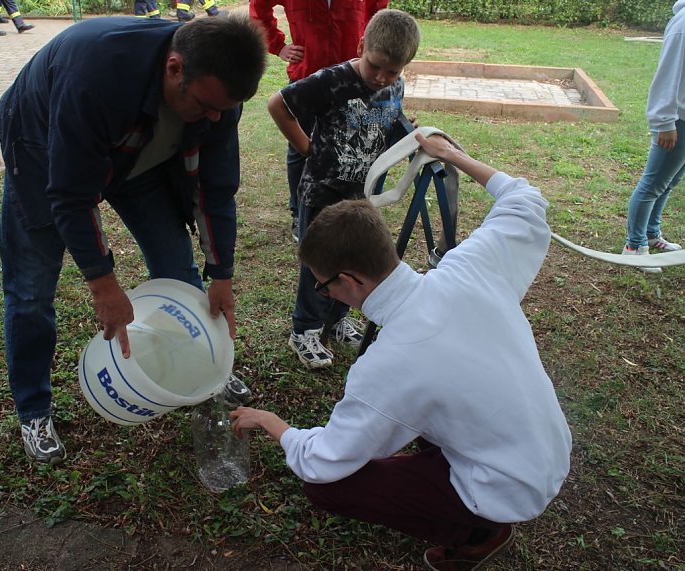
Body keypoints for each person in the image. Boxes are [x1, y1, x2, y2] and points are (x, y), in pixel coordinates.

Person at [231, 132, 573, 571]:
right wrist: (453, 155)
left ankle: (477, 534)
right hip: (548, 449)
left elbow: (322, 462)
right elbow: (525, 200)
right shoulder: (467, 267)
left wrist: (273, 423)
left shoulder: (390, 363)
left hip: (505, 489)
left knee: (326, 488)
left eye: (323, 285)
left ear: (349, 280)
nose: (324, 292)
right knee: (424, 402)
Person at [0, 15, 267, 464]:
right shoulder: (95, 77)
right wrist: (103, 285)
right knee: (31, 288)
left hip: (139, 155)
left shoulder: (218, 95)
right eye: (206, 106)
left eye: (223, 110)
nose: (215, 119)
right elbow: (70, 195)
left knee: (177, 269)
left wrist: (222, 275)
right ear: (174, 68)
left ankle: (198, 369)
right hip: (43, 146)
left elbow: (216, 187)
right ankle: (33, 410)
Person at [268, 9, 419, 368]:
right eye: (375, 66)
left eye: (392, 71)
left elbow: (386, 121)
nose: (381, 78)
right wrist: (307, 148)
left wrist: (409, 134)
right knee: (320, 264)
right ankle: (305, 329)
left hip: (362, 194)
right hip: (323, 192)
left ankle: (336, 320)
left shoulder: (394, 85)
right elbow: (278, 105)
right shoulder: (332, 80)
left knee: (353, 260)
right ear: (361, 46)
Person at [250, 0, 387, 242]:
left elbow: (380, 13)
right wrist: (278, 46)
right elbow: (258, 8)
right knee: (299, 149)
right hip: (307, 78)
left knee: (352, 147)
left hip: (352, 81)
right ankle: (299, 212)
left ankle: (349, 210)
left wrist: (370, 52)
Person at [621, 0, 685, 273]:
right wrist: (664, 121)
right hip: (677, 120)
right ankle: (634, 247)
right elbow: (668, 74)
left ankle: (650, 233)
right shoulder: (683, 24)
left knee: (669, 183)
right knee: (653, 185)